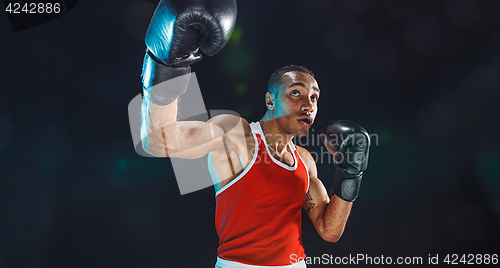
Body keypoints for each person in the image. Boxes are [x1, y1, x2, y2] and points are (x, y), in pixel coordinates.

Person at [137, 0, 370, 267]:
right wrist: (167, 65)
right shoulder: (236, 135)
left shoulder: (305, 161)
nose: (308, 104)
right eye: (296, 93)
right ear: (270, 101)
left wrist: (351, 172)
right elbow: (156, 140)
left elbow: (330, 231)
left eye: (314, 97)